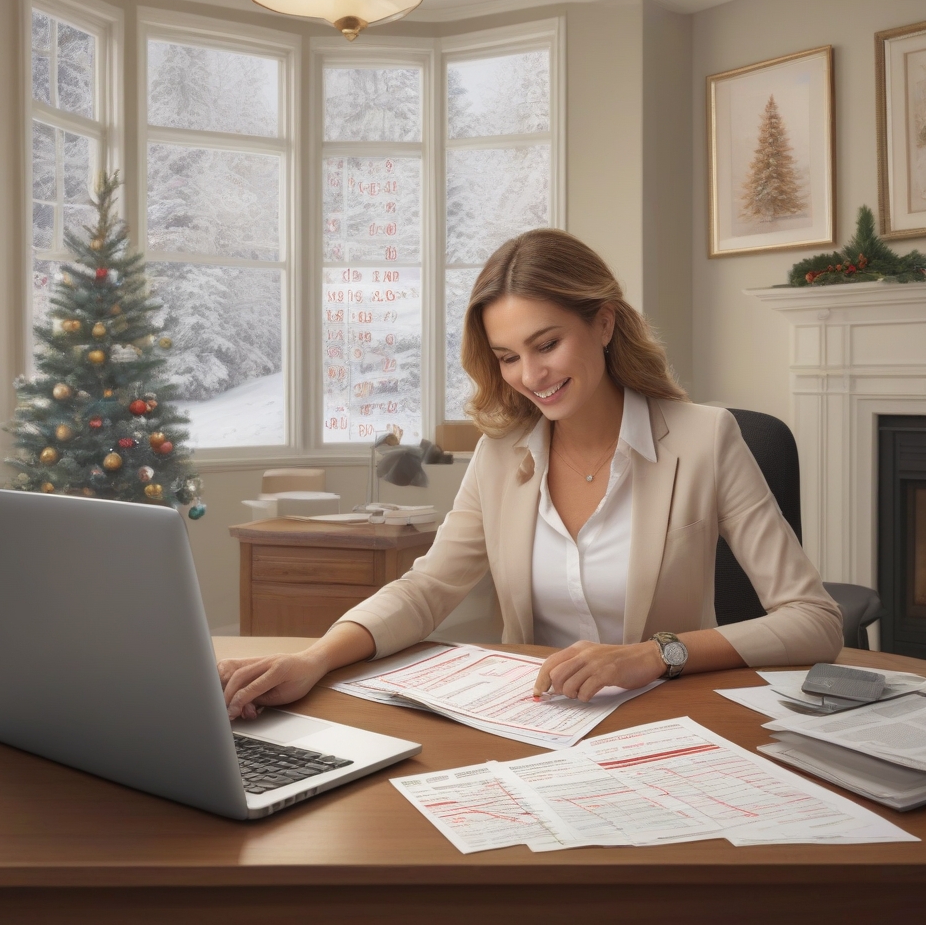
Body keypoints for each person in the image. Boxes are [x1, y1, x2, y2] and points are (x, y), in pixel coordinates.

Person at [219, 229, 842, 720]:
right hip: (539, 723)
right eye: (508, 357)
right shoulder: (500, 455)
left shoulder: (706, 438)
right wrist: (314, 659)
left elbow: (814, 621)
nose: (530, 376)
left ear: (603, 323)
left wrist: (654, 656)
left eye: (546, 345)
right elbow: (425, 590)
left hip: (668, 721)